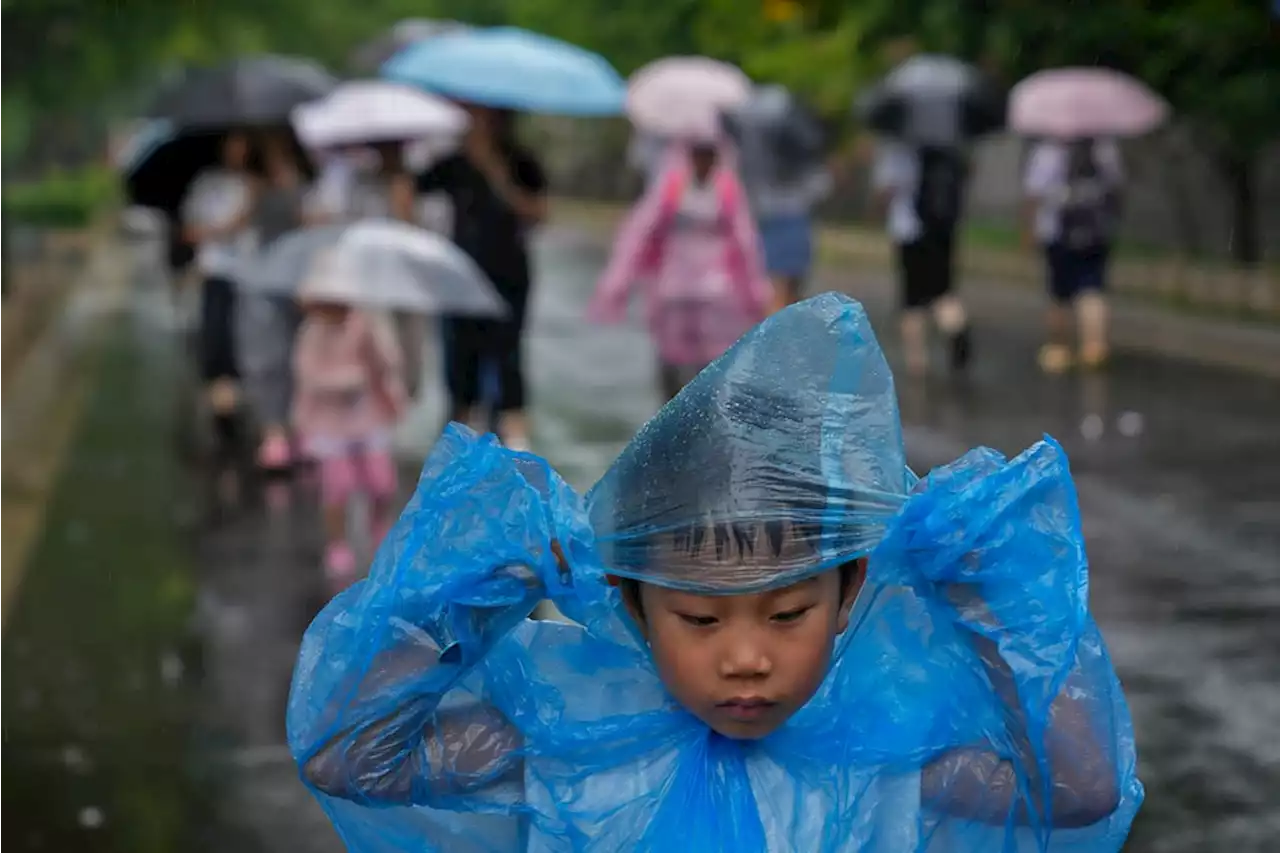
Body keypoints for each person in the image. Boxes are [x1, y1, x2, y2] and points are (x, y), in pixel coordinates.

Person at [286, 293, 1141, 851]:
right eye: (700, 619)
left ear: (848, 592)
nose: (745, 657)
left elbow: (1079, 789)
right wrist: (474, 601)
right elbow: (352, 758)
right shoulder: (573, 740)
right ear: (630, 604)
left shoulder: (881, 758)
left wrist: (993, 607)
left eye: (786, 613)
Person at [589, 140, 774, 402]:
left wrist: (755, 294)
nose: (704, 162)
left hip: (713, 292)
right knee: (670, 365)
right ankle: (669, 419)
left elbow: (744, 242)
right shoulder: (672, 188)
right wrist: (618, 281)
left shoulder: (727, 191)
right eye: (699, 155)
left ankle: (701, 423)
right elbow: (641, 233)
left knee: (711, 368)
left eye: (709, 155)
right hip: (674, 289)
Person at [416, 107, 548, 452]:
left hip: (508, 271)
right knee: (460, 357)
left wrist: (496, 172)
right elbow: (414, 192)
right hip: (459, 272)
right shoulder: (453, 163)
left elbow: (537, 214)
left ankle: (514, 434)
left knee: (508, 353)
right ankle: (459, 436)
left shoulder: (521, 161)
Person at [291, 253, 407, 587]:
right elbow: (308, 376)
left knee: (381, 480)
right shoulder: (312, 334)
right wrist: (346, 380)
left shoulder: (365, 325)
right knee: (338, 484)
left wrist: (376, 342)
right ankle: (338, 542)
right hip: (329, 421)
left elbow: (388, 363)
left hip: (367, 416)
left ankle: (379, 525)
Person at [239, 128, 323, 472]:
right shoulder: (253, 185)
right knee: (268, 357)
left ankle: (304, 428)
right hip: (265, 277)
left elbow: (315, 223)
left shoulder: (309, 183)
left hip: (302, 277)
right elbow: (242, 221)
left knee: (303, 356)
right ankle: (274, 432)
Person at [871, 139, 973, 377]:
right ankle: (956, 326)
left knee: (912, 297)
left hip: (908, 231)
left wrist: (877, 208)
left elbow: (885, 190)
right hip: (942, 230)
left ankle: (917, 363)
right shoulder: (946, 147)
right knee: (942, 290)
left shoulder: (897, 150)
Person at [1022, 137, 1124, 374]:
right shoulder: (1105, 148)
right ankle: (1094, 348)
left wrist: (1028, 230)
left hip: (1057, 231)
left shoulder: (1048, 152)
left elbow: (1033, 194)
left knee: (1059, 292)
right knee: (1093, 288)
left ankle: (1059, 350)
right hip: (1096, 231)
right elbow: (1117, 187)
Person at [180, 131, 254, 454]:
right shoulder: (207, 184)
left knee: (247, 345)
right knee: (218, 344)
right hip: (216, 273)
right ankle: (224, 418)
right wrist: (222, 229)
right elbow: (190, 230)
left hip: (252, 275)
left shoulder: (258, 184)